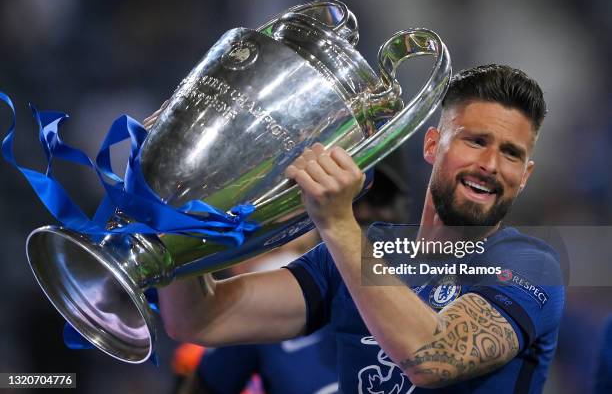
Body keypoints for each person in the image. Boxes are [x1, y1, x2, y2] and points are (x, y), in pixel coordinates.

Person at [157, 64, 565, 393]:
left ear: (525, 175)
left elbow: (431, 357)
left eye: (511, 154)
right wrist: (174, 199)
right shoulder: (363, 251)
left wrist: (337, 221)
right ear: (431, 145)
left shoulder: (530, 267)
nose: (490, 165)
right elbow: (197, 318)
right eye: (475, 141)